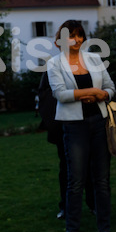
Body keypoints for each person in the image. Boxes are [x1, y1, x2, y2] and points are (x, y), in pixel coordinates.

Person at [47, 20, 116, 232]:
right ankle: (71, 231)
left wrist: (101, 95)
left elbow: (111, 88)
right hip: (74, 126)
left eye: (79, 35)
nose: (76, 40)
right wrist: (89, 92)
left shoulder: (95, 60)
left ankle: (105, 230)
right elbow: (60, 94)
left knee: (102, 180)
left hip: (99, 122)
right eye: (71, 36)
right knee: (75, 181)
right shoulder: (54, 63)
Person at [38, 72, 95, 221]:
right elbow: (46, 98)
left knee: (90, 165)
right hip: (63, 127)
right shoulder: (53, 69)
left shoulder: (86, 66)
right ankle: (66, 206)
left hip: (87, 123)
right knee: (66, 168)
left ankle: (93, 203)